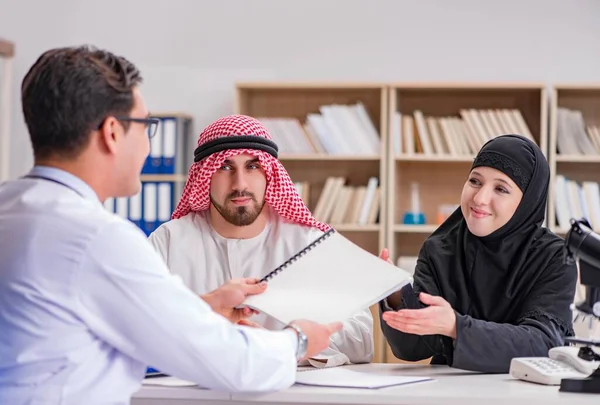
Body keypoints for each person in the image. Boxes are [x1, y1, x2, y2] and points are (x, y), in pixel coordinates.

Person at [0, 45, 343, 405]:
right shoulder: (99, 239)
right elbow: (232, 364)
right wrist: (298, 340)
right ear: (113, 133)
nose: (149, 146)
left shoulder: (10, 208)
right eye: (146, 126)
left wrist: (201, 307)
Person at [147, 114, 374, 368]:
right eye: (225, 167)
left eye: (253, 166)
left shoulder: (310, 242)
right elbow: (139, 327)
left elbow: (361, 339)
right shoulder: (168, 242)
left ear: (269, 173)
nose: (240, 184)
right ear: (205, 176)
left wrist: (283, 345)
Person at [379, 134, 578, 373]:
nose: (480, 198)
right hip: (451, 393)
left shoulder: (554, 258)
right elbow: (411, 349)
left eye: (501, 189)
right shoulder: (439, 249)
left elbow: (542, 343)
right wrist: (395, 293)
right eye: (475, 181)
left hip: (526, 393)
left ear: (528, 202)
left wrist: (456, 327)